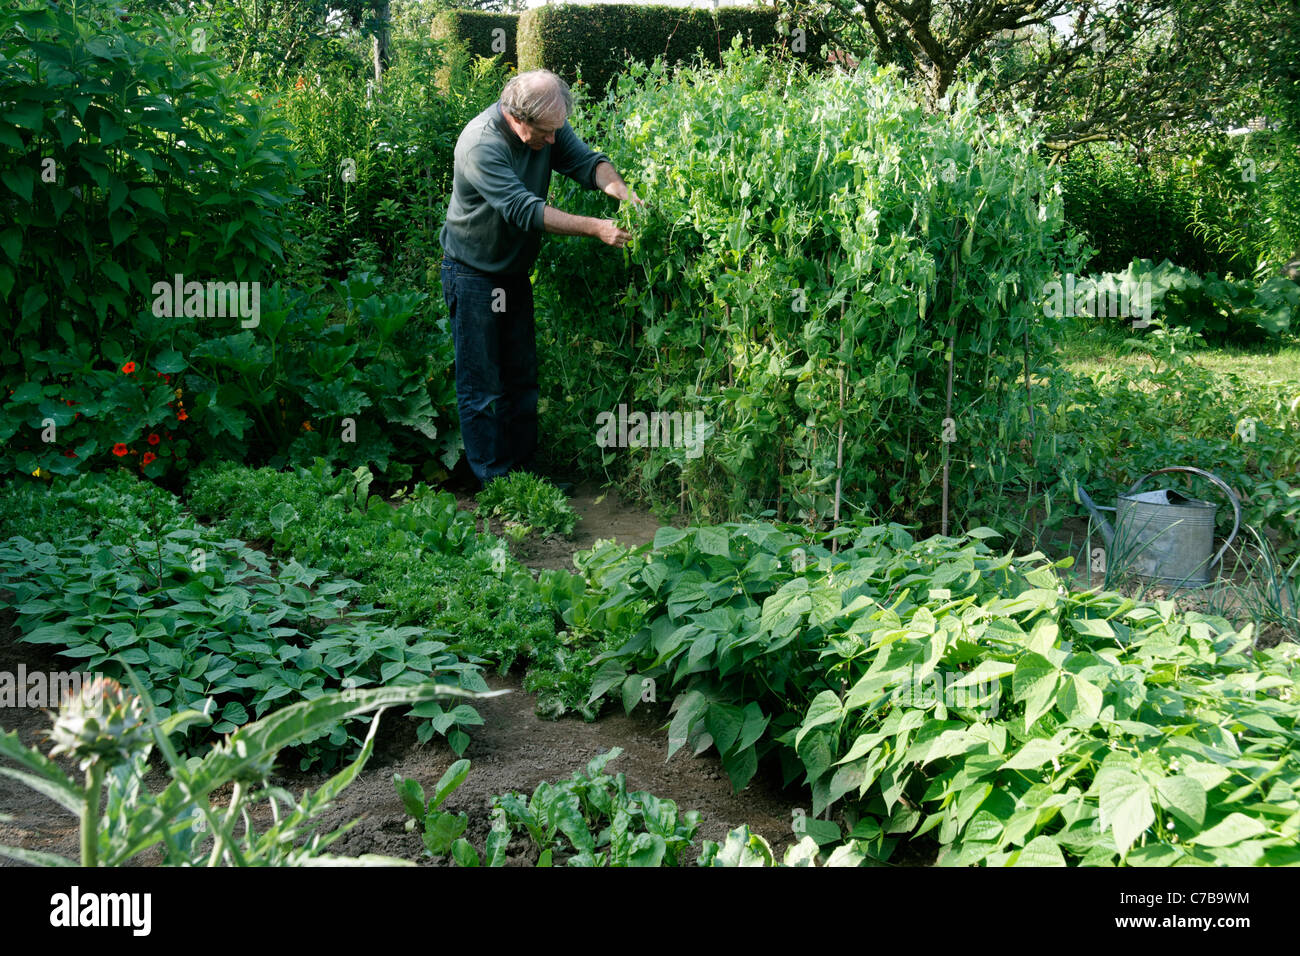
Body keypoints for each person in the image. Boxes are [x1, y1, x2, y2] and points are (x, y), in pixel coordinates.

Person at [439, 69, 638, 489]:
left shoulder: (548, 125)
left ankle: (526, 479)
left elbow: (588, 162)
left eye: (556, 130)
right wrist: (596, 228)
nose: (553, 141)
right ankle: (497, 487)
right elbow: (524, 210)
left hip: (512, 273)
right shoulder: (481, 144)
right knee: (482, 386)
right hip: (473, 273)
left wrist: (621, 191)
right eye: (545, 133)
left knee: (521, 381)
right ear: (518, 118)